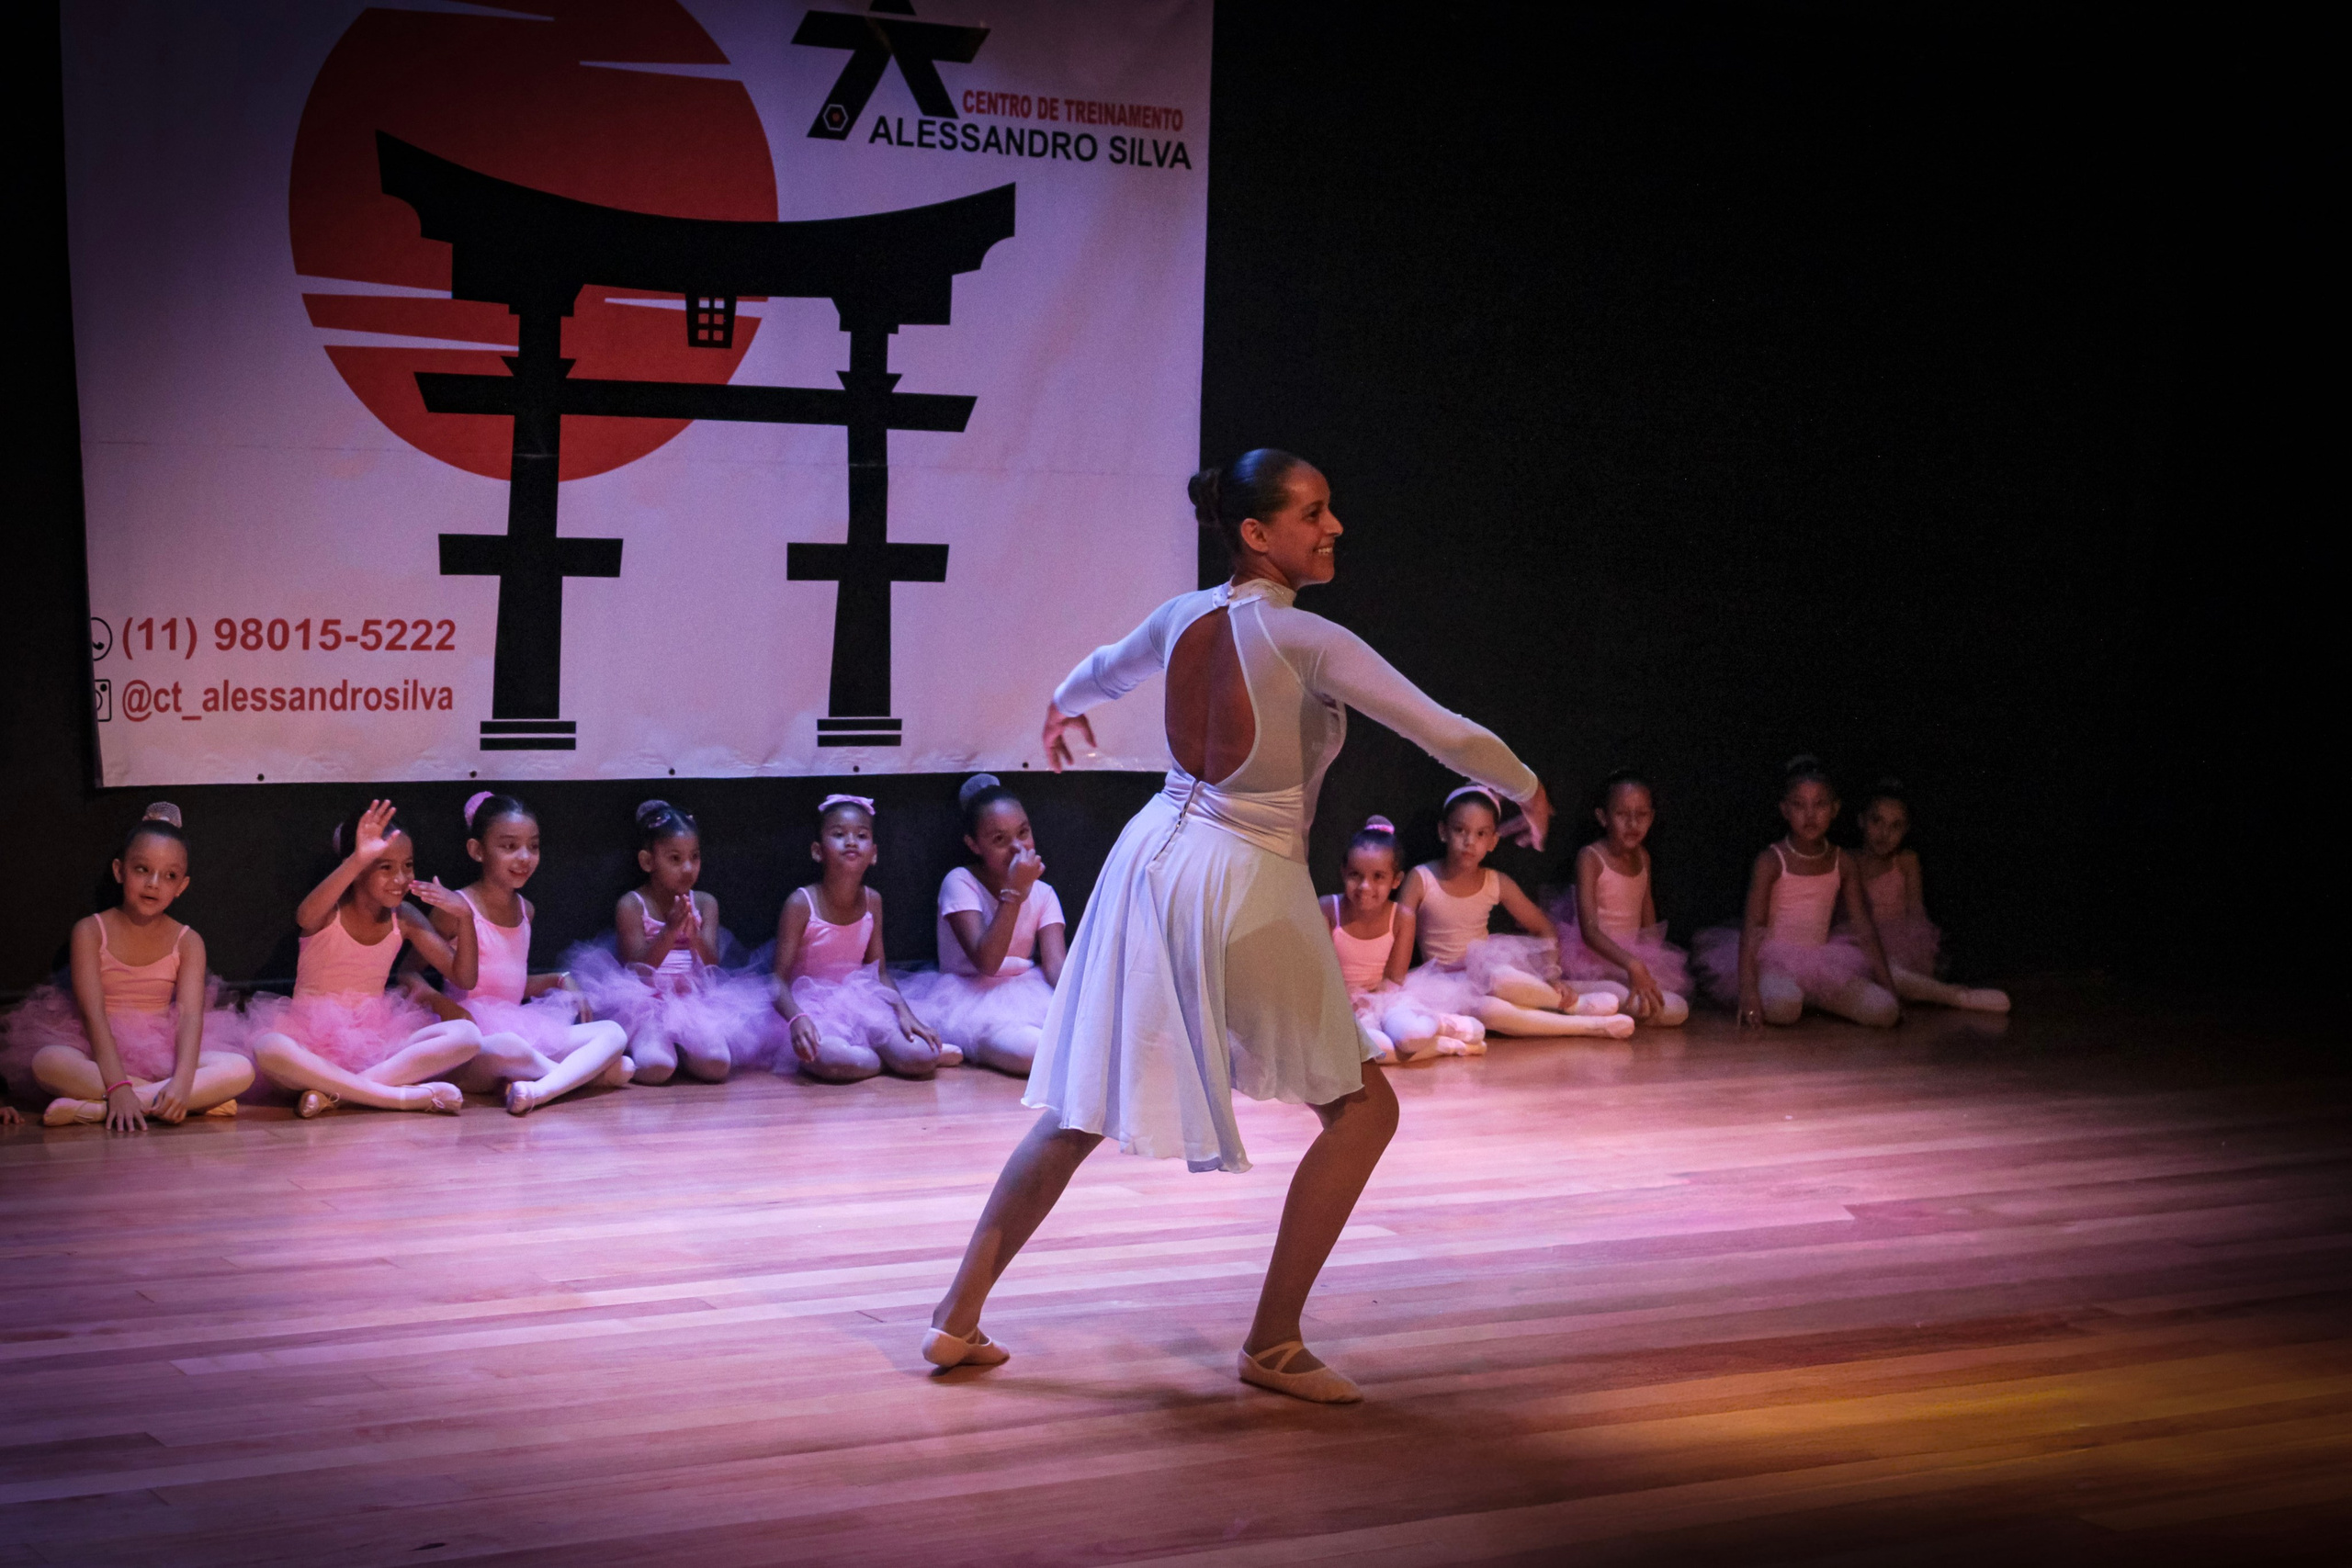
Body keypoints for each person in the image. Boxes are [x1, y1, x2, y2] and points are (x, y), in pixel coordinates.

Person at [925, 448, 1555, 1404]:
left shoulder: (1182, 616)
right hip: (1243, 871)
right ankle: (1273, 1343)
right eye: (1313, 512)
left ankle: (956, 1315)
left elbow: (1102, 671)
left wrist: (1062, 708)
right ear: (1257, 533)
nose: (1333, 526)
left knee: (1082, 1105)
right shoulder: (1306, 638)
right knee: (1363, 1109)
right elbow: (1439, 728)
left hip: (1148, 858)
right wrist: (1525, 783)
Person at [1, 804, 253, 1129]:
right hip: (98, 1050)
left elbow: (190, 1017)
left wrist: (182, 1082)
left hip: (165, 1051)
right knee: (48, 1063)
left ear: (182, 886)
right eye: (142, 869)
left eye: (170, 876)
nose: (154, 883)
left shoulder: (189, 941)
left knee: (240, 1069)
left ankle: (99, 1109)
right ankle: (189, 1103)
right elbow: (93, 1014)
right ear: (120, 871)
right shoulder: (90, 931)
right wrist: (118, 1086)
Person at [245, 800, 481, 1115]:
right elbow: (304, 916)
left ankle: (337, 1095)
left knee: (467, 1035)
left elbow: (464, 977)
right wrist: (358, 858)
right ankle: (399, 1097)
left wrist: (465, 917)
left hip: (378, 1044)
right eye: (386, 867)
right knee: (269, 1048)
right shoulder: (328, 911)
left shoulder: (405, 917)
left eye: (407, 865)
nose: (400, 878)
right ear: (357, 867)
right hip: (310, 1044)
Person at [423, 793, 634, 1115]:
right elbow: (409, 973)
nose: (524, 857)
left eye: (533, 846)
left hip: (518, 1028)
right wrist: (444, 1005)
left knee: (613, 1033)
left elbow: (508, 985)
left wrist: (559, 979)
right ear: (477, 851)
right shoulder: (455, 908)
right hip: (474, 1043)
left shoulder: (526, 911)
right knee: (512, 1048)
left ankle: (535, 1089)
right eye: (509, 846)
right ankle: (575, 1077)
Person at [1398, 785, 1634, 1039]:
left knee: (1499, 978)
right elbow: (1397, 930)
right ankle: (1590, 1024)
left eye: (1480, 834)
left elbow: (1543, 927)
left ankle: (1571, 1003)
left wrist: (1551, 974)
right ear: (1443, 831)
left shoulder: (1495, 882)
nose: (1469, 842)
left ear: (1492, 841)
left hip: (1485, 971)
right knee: (1488, 1011)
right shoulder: (1421, 878)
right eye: (1460, 830)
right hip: (1442, 983)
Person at [1693, 756, 1902, 1027]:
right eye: (1799, 805)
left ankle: (1815, 996)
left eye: (1820, 805)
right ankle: (1791, 995)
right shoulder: (1770, 860)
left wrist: (1889, 988)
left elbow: (1864, 929)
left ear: (1835, 809)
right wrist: (1748, 990)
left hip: (1823, 962)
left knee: (1885, 1011)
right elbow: (1752, 927)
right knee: (1785, 1008)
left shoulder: (1843, 862)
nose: (1810, 815)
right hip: (1775, 962)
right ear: (1785, 810)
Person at [570, 801, 764, 1084]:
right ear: (648, 861)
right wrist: (669, 931)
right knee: (656, 1068)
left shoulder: (705, 902)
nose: (688, 868)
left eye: (694, 857)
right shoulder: (632, 904)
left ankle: (684, 1051)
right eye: (675, 859)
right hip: (646, 1000)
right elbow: (637, 970)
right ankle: (647, 1054)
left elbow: (712, 963)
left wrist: (694, 936)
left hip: (694, 997)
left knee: (718, 1066)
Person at [769, 795, 951, 1083]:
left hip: (862, 1001)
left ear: (874, 853)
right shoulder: (801, 903)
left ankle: (891, 1058)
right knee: (833, 1059)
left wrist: (905, 1013)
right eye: (839, 834)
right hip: (811, 1007)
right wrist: (796, 1019)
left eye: (862, 836)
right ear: (818, 851)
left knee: (922, 1057)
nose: (851, 842)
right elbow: (776, 980)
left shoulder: (872, 901)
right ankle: (881, 1061)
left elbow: (879, 971)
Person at [899, 774, 1069, 1076]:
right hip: (970, 997)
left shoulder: (1044, 893)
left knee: (1078, 1040)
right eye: (1000, 840)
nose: (1017, 847)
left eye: (1023, 832)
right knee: (1041, 1054)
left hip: (1028, 991)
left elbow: (1056, 966)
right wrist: (1014, 892)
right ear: (974, 845)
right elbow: (987, 962)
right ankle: (962, 1045)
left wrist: (1081, 1004)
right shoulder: (960, 882)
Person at [1320, 816, 1484, 1063]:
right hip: (1340, 1004)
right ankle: (1445, 1045)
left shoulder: (1402, 917)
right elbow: (1323, 972)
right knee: (1370, 1048)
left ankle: (1440, 1024)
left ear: (1396, 880)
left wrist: (1370, 1001)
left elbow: (1395, 977)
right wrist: (1348, 1004)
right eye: (1355, 875)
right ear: (1343, 872)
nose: (1365, 886)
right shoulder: (1327, 909)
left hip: (1385, 998)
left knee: (1411, 1035)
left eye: (1378, 877)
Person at [1848, 780, 2010, 1012]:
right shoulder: (1847, 860)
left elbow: (1916, 910)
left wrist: (1919, 947)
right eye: (1877, 821)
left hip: (1898, 942)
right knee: (1869, 967)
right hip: (1858, 942)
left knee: (1892, 969)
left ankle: (1959, 996)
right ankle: (1950, 995)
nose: (1884, 833)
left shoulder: (1906, 861)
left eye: (1895, 826)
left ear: (1906, 829)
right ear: (1861, 820)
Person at [1549, 771, 1692, 1025]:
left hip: (1631, 962)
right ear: (1603, 817)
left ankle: (1602, 1005)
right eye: (1622, 814)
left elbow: (1648, 924)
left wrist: (1652, 967)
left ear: (1651, 817)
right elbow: (1590, 932)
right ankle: (1576, 994)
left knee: (1677, 1009)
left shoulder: (1643, 857)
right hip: (1593, 961)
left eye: (1641, 815)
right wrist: (1633, 965)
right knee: (1623, 997)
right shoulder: (1591, 858)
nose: (1633, 823)